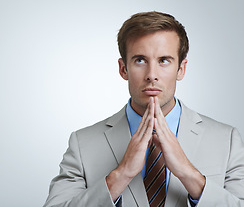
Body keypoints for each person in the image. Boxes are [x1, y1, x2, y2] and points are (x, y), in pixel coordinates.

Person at [43, 11, 244, 207]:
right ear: (124, 69)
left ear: (181, 69)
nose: (151, 75)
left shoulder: (227, 140)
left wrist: (187, 173)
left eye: (164, 61)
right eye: (140, 60)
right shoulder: (82, 143)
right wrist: (121, 175)